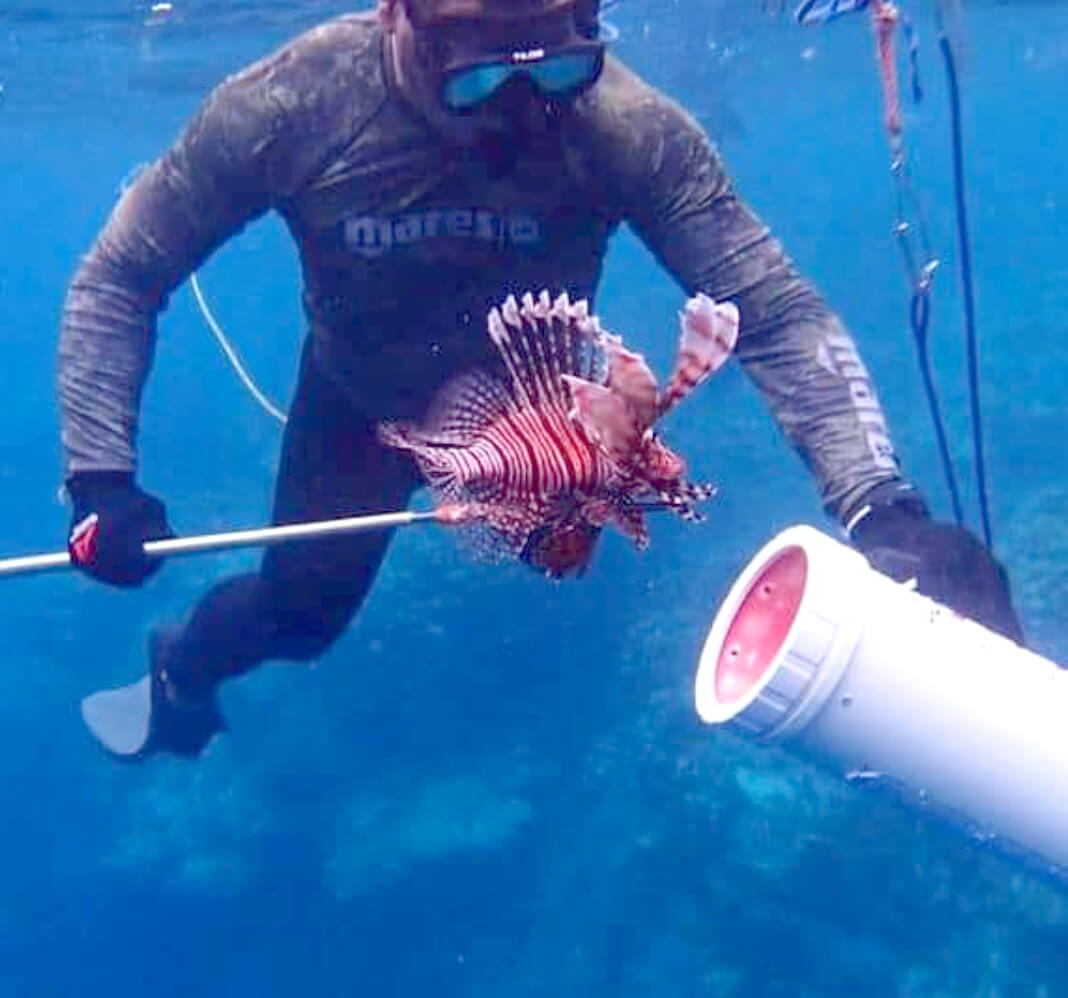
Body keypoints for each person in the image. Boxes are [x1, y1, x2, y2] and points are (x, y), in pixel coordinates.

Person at [58, 0, 1023, 761]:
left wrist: (884, 512)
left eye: (559, 68)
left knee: (561, 578)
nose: (525, 111)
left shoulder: (621, 126)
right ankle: (180, 667)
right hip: (364, 413)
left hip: (543, 426)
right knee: (303, 619)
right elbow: (121, 273)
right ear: (399, 15)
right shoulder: (293, 105)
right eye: (478, 80)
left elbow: (770, 309)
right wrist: (101, 481)